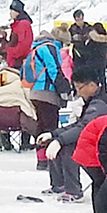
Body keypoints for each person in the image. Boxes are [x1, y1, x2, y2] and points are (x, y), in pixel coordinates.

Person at [37, 69, 107, 203]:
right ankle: (59, 184)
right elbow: (79, 124)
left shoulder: (100, 104)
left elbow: (83, 129)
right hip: (99, 139)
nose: (78, 92)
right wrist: (54, 134)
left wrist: (60, 140)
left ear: (92, 85)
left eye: (79, 88)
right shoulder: (93, 100)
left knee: (70, 145)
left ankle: (74, 191)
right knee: (58, 141)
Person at [23, 30, 65, 171]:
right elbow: (54, 69)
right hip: (47, 92)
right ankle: (50, 160)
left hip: (34, 91)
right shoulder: (49, 47)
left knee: (41, 126)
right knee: (50, 127)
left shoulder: (35, 48)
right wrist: (64, 89)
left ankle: (41, 160)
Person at [0, 67, 37, 148]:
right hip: (18, 119)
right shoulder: (21, 82)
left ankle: (6, 142)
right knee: (27, 114)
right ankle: (25, 142)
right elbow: (29, 97)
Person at [5, 0, 34, 70]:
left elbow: (24, 44)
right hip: (16, 62)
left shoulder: (23, 24)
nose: (10, 13)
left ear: (17, 12)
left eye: (12, 11)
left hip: (19, 62)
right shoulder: (18, 24)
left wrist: (10, 51)